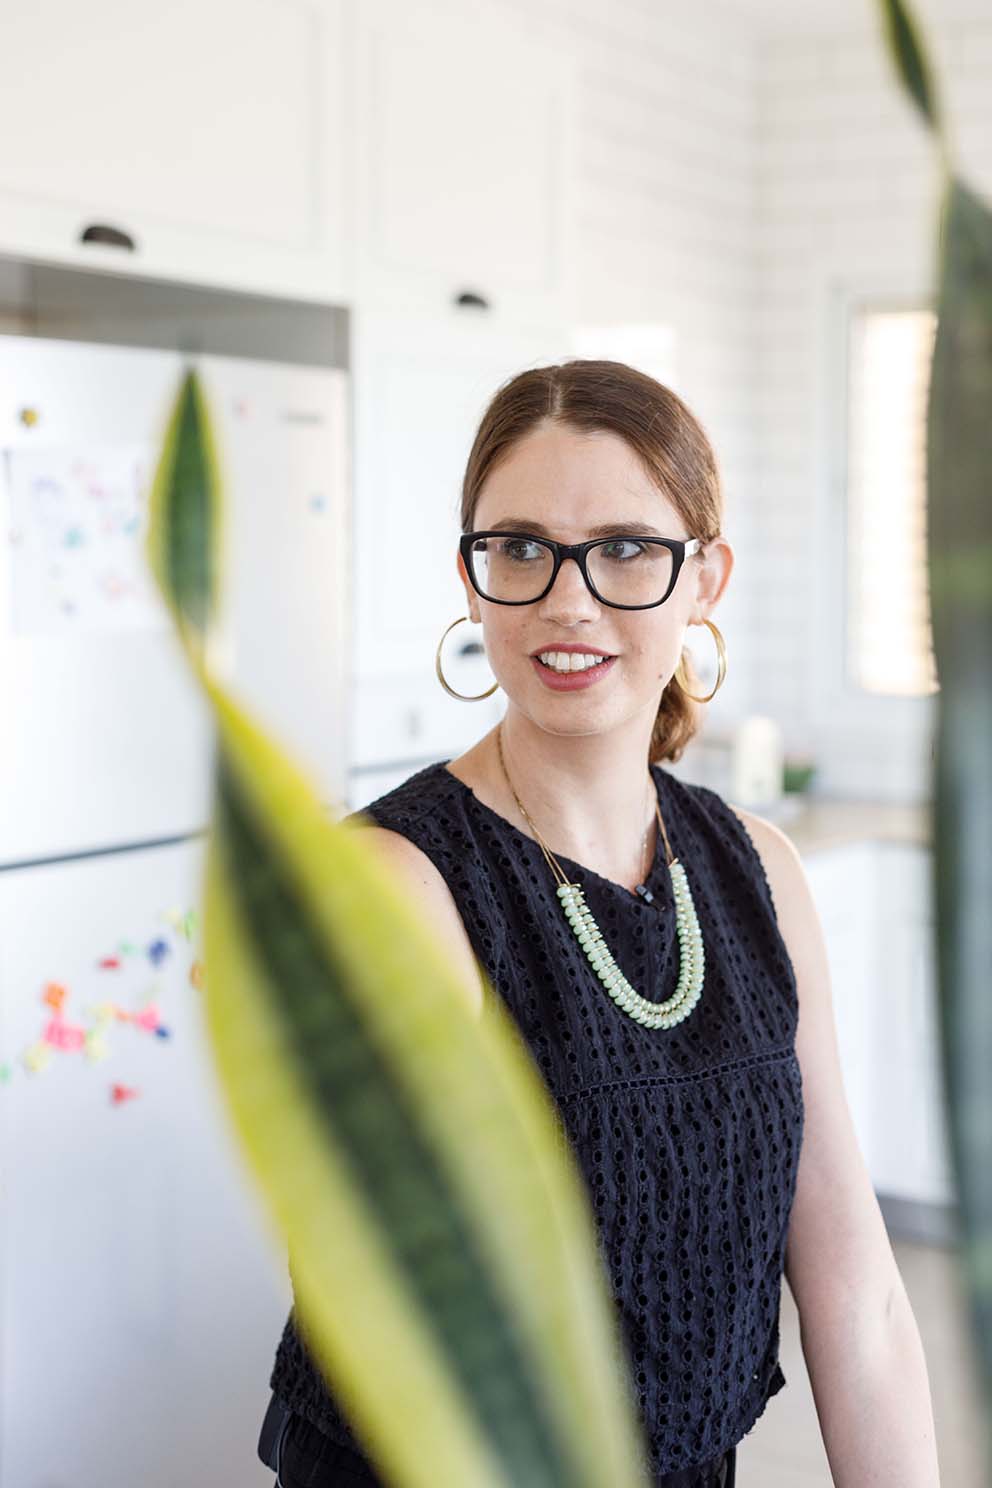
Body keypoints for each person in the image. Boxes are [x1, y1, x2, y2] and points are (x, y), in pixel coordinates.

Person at [259, 359, 940, 1486]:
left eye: (625, 548)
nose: (566, 601)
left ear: (704, 578)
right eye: (520, 548)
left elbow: (856, 1294)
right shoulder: (398, 881)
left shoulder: (754, 868)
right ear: (471, 581)